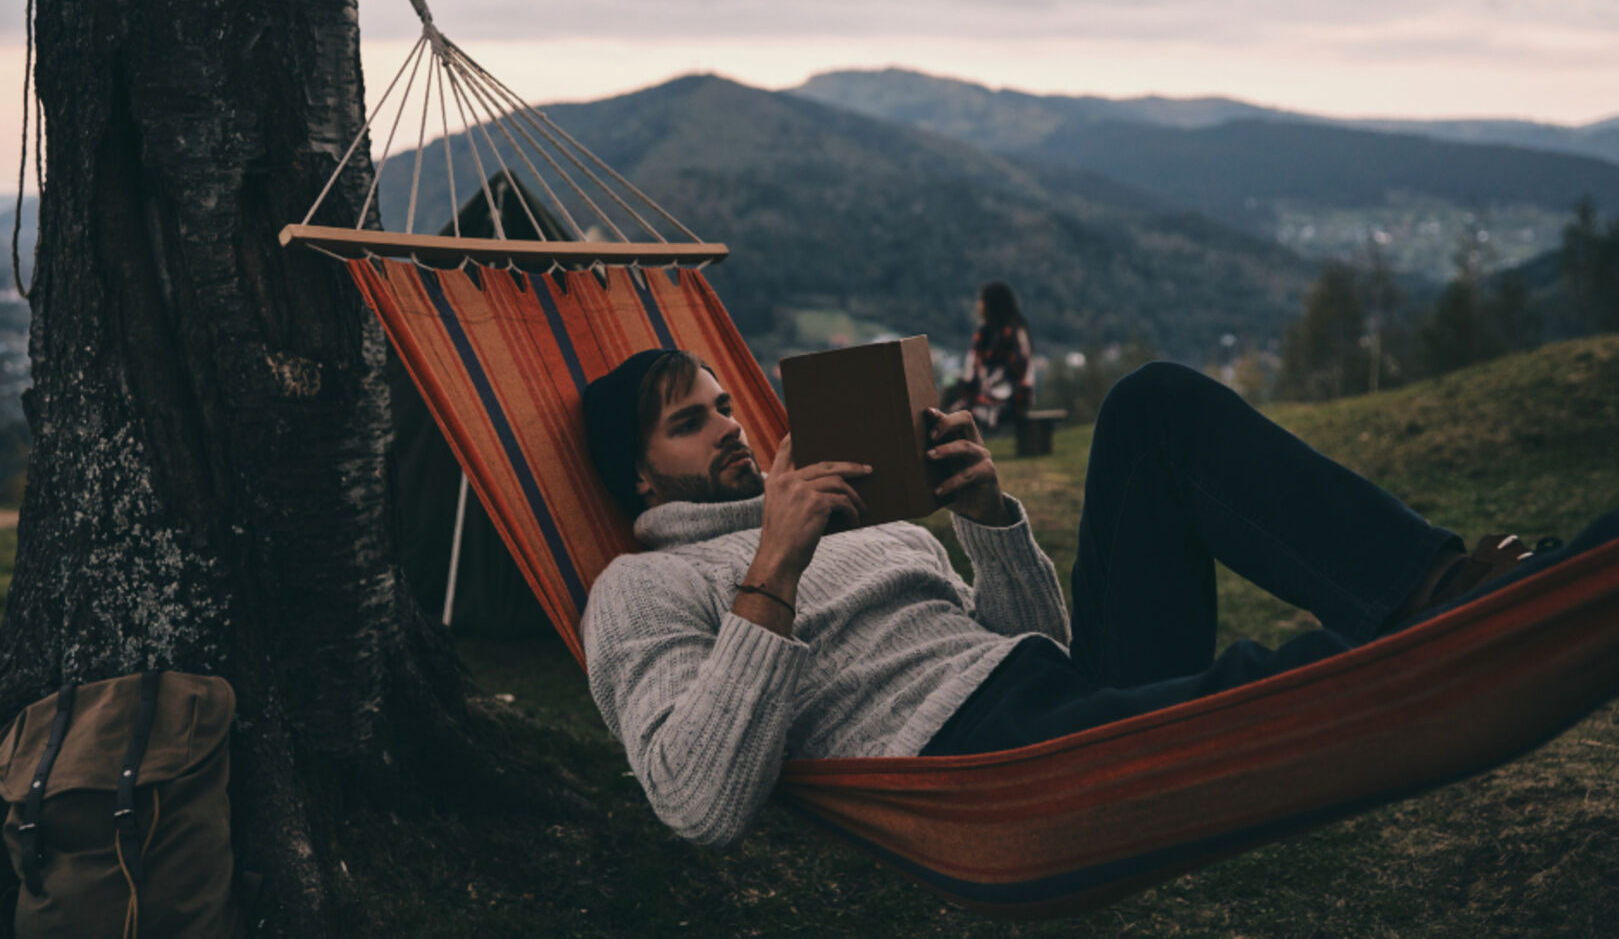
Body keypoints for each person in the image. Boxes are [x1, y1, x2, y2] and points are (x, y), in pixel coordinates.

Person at [579, 349, 1527, 848]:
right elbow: (696, 802)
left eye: (726, 406)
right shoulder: (642, 588)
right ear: (642, 481)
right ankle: (1447, 647)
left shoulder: (861, 519)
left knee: (1152, 406)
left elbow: (1028, 642)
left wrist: (988, 518)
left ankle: (1435, 592)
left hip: (1066, 705)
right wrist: (775, 564)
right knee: (1255, 693)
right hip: (978, 778)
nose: (728, 429)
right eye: (689, 424)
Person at [946, 280, 1034, 431]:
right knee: (949, 396)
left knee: (960, 412)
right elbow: (973, 369)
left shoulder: (1013, 334)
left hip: (1010, 399)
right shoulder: (984, 334)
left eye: (981, 300)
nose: (978, 305)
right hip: (987, 394)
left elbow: (1016, 375)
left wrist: (984, 391)